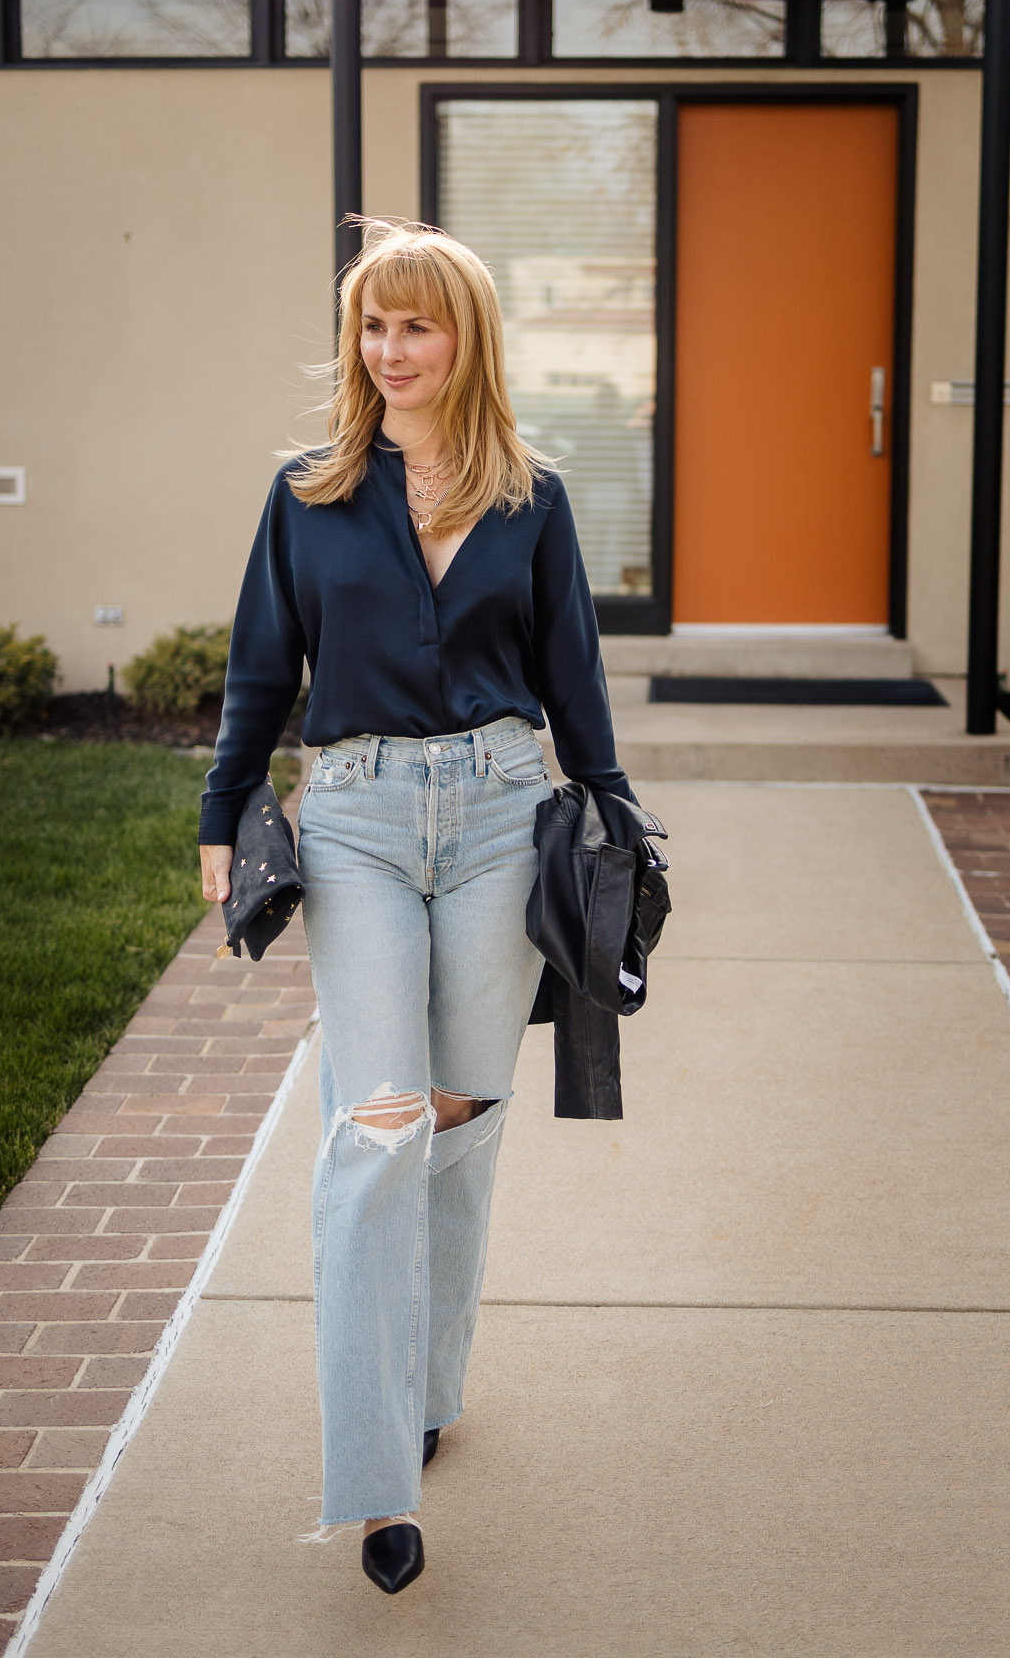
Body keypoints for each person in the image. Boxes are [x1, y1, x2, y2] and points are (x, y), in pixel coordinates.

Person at [197, 221, 635, 1595]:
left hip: (507, 815)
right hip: (362, 819)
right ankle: (380, 1481)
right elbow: (258, 672)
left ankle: (430, 1388)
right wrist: (221, 814)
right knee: (375, 1128)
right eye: (372, 328)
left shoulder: (533, 497)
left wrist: (616, 820)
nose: (390, 352)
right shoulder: (308, 493)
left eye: (416, 326)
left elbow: (573, 679)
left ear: (466, 341)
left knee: (458, 1124)